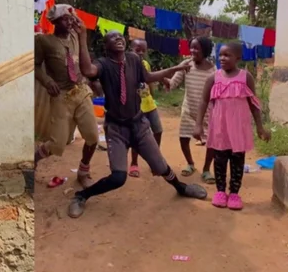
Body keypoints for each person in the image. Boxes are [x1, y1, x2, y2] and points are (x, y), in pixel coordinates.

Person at [68, 28, 207, 218]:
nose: (119, 39)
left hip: (139, 124)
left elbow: (148, 77)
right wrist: (82, 36)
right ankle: (82, 195)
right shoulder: (103, 64)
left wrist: (174, 69)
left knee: (161, 167)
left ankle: (181, 188)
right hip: (116, 128)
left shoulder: (133, 59)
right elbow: (87, 70)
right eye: (113, 38)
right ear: (106, 46)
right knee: (118, 178)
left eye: (120, 37)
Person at [194, 42, 270, 210]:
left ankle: (234, 193)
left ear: (238, 58)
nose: (222, 58)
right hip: (220, 129)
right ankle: (220, 191)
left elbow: (254, 104)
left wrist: (260, 127)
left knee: (237, 162)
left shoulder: (245, 77)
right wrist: (198, 125)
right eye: (220, 54)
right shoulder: (213, 78)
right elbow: (203, 101)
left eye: (227, 55)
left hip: (238, 130)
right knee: (219, 161)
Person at [34, 4, 99, 188]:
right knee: (57, 144)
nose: (69, 21)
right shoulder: (44, 41)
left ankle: (83, 171)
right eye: (64, 18)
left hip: (81, 91)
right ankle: (33, 161)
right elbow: (36, 65)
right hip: (61, 96)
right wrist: (47, 81)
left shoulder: (77, 36)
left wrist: (83, 35)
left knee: (93, 137)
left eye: (71, 17)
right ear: (54, 22)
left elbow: (86, 61)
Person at [165, 37, 216, 183]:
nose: (193, 51)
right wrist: (161, 77)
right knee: (183, 137)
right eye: (191, 47)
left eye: (197, 48)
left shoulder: (213, 70)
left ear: (205, 50)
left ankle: (206, 169)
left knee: (211, 142)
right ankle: (190, 164)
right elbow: (173, 83)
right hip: (188, 109)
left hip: (207, 112)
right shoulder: (186, 65)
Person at [128, 38, 163, 177]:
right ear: (131, 49)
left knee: (158, 131)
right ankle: (134, 164)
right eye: (138, 50)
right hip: (136, 107)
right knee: (137, 136)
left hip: (149, 104)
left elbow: (149, 82)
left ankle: (155, 161)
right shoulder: (126, 65)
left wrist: (153, 97)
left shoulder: (145, 64)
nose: (141, 53)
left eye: (143, 50)